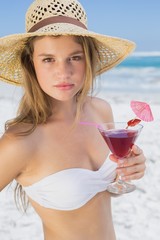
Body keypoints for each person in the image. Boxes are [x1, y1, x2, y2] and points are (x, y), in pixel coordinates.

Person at [0, 0, 146, 239]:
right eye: (48, 59)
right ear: (31, 63)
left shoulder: (101, 111)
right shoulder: (20, 141)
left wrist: (129, 169)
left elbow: (102, 194)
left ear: (87, 59)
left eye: (74, 57)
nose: (64, 72)